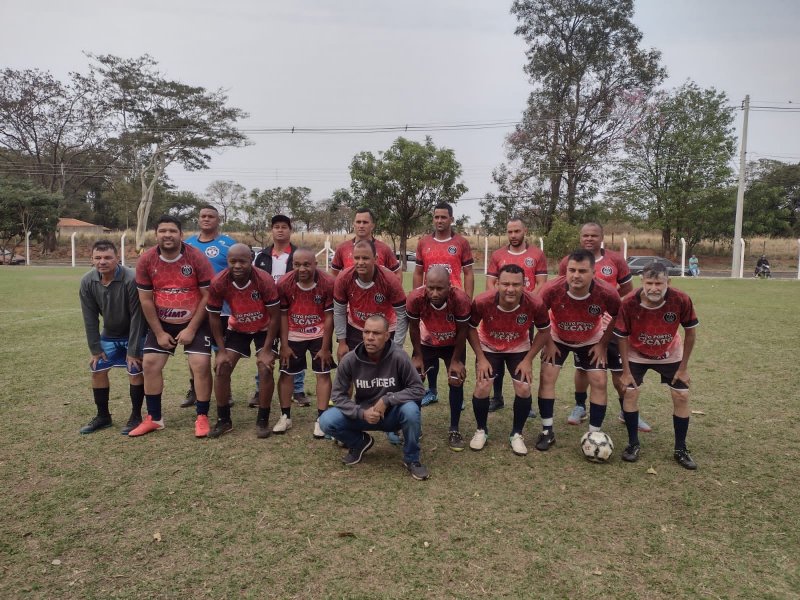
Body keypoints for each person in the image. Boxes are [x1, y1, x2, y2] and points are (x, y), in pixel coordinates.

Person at [558, 223, 652, 433]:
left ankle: (625, 411)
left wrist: (611, 310)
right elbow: (562, 290)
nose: (589, 239)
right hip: (584, 325)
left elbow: (627, 291)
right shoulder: (568, 261)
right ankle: (580, 406)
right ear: (580, 237)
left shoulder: (616, 260)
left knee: (619, 371)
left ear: (602, 238)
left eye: (594, 235)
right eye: (585, 235)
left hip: (612, 324)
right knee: (583, 368)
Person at [129, 215, 215, 438]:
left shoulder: (196, 257)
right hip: (163, 323)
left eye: (172, 231)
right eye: (162, 231)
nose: (167, 235)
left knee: (201, 364)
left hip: (194, 321)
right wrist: (158, 332)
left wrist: (192, 329)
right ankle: (155, 418)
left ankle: (202, 417)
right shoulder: (146, 260)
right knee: (149, 363)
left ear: (181, 234)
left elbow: (208, 296)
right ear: (156, 234)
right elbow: (146, 300)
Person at [319, 315, 429, 480]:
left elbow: (418, 389)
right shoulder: (350, 359)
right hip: (364, 414)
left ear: (386, 336)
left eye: (376, 333)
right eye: (366, 332)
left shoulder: (399, 357)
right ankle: (359, 443)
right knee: (326, 421)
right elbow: (338, 395)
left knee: (411, 410)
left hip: (392, 415)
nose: (370, 338)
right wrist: (361, 413)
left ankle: (412, 459)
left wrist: (387, 400)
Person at [614, 261, 700, 469]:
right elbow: (622, 338)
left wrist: (683, 368)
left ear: (668, 282)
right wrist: (625, 371)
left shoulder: (680, 299)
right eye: (649, 283)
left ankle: (680, 448)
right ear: (642, 281)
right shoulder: (629, 302)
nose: (654, 288)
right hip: (636, 352)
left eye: (659, 283)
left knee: (681, 395)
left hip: (670, 353)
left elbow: (690, 333)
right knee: (630, 393)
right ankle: (633, 444)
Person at [536, 249, 622, 452]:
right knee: (547, 377)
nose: (576, 275)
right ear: (565, 271)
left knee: (600, 381)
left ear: (594, 272)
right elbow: (539, 315)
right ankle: (547, 431)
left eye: (582, 271)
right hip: (557, 336)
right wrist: (548, 342)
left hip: (591, 339)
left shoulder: (607, 292)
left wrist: (602, 344)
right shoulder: (551, 289)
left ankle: (594, 433)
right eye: (572, 270)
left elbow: (618, 315)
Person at [466, 264, 552, 456]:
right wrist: (481, 358)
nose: (510, 289)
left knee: (523, 388)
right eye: (505, 284)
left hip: (519, 347)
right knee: (482, 386)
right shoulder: (482, 301)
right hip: (489, 346)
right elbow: (470, 327)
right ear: (497, 283)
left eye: (516, 284)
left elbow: (544, 330)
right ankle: (481, 430)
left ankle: (517, 434)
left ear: (524, 285)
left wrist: (529, 359)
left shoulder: (535, 303)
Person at [205, 243, 280, 439]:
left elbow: (275, 316)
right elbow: (213, 317)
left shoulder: (263, 280)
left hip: (264, 328)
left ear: (251, 260)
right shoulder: (219, 282)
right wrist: (220, 351)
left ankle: (262, 419)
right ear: (227, 261)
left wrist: (266, 350)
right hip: (237, 328)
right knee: (221, 367)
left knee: (265, 367)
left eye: (242, 261)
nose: (237, 265)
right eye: (233, 261)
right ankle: (224, 420)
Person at [78, 240, 147, 435]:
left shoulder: (131, 279)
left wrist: (133, 351)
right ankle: (103, 416)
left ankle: (135, 416)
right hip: (109, 335)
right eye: (98, 258)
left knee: (134, 370)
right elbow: (89, 318)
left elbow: (137, 316)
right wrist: (95, 348)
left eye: (108, 257)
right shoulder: (87, 281)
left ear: (117, 258)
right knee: (97, 370)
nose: (103, 262)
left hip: (135, 334)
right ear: (91, 260)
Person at [413, 202, 475, 407]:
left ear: (451, 219)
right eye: (436, 217)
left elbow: (468, 273)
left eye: (443, 217)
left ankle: (457, 389)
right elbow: (419, 272)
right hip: (430, 302)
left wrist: (467, 298)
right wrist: (417, 295)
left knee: (454, 345)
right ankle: (431, 390)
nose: (439, 220)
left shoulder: (461, 243)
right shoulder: (423, 243)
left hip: (454, 303)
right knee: (430, 343)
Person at [485, 217, 548, 412]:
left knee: (522, 354)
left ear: (525, 231)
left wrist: (525, 306)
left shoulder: (537, 254)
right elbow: (491, 284)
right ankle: (497, 397)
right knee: (498, 353)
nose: (513, 235)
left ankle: (524, 398)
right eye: (510, 232)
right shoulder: (497, 255)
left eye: (517, 231)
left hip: (524, 315)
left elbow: (541, 284)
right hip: (500, 313)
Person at [407, 265, 471, 451]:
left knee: (455, 380)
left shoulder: (460, 299)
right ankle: (415, 426)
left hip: (453, 344)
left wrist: (456, 360)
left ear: (449, 287)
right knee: (416, 379)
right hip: (427, 343)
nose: (434, 293)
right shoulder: (415, 298)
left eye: (440, 288)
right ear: (425, 285)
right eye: (430, 287)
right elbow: (413, 327)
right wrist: (417, 356)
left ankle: (454, 429)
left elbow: (463, 331)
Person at [277, 247, 336, 438]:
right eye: (297, 264)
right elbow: (283, 315)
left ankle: (321, 418)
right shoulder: (284, 283)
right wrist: (284, 345)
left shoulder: (328, 282)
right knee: (286, 373)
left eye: (306, 264)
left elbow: (329, 316)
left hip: (319, 333)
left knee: (323, 373)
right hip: (294, 333)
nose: (302, 269)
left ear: (315, 264)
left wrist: (326, 347)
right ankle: (285, 415)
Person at [182, 205, 236, 408]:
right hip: (195, 308)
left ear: (218, 220)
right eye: (203, 216)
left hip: (223, 309)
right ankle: (194, 389)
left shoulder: (228, 244)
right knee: (195, 352)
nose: (206, 219)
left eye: (211, 216)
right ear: (198, 219)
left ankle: (225, 390)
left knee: (221, 352)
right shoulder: (187, 244)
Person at [252, 215, 307, 407]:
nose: (280, 230)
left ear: (290, 230)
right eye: (276, 227)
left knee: (294, 349)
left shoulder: (299, 255)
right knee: (264, 350)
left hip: (292, 311)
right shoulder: (261, 256)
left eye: (284, 227)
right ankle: (260, 390)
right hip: (267, 312)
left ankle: (298, 390)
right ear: (272, 230)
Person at [333, 239, 408, 362]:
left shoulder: (390, 280)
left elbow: (402, 315)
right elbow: (339, 312)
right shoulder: (343, 279)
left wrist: (398, 346)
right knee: (353, 372)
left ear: (376, 258)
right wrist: (341, 342)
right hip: (356, 327)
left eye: (365, 258)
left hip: (385, 329)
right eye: (357, 258)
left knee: (384, 373)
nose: (360, 262)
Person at [331, 207, 402, 283]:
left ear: (372, 225)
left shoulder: (384, 249)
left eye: (365, 222)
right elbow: (334, 274)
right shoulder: (342, 248)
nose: (361, 226)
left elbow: (397, 273)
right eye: (358, 222)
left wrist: (393, 292)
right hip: (351, 294)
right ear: (354, 224)